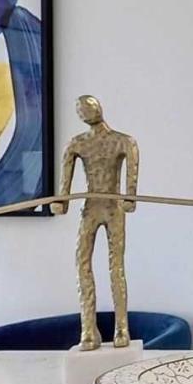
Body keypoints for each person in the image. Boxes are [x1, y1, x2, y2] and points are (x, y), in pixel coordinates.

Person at [52, 96, 138, 350]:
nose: (85, 112)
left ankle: (121, 328)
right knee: (82, 263)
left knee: (116, 267)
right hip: (90, 207)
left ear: (99, 107)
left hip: (113, 208)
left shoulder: (123, 141)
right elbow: (63, 185)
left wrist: (130, 198)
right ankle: (89, 329)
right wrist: (61, 203)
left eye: (88, 107)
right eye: (80, 110)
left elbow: (131, 179)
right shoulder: (77, 144)